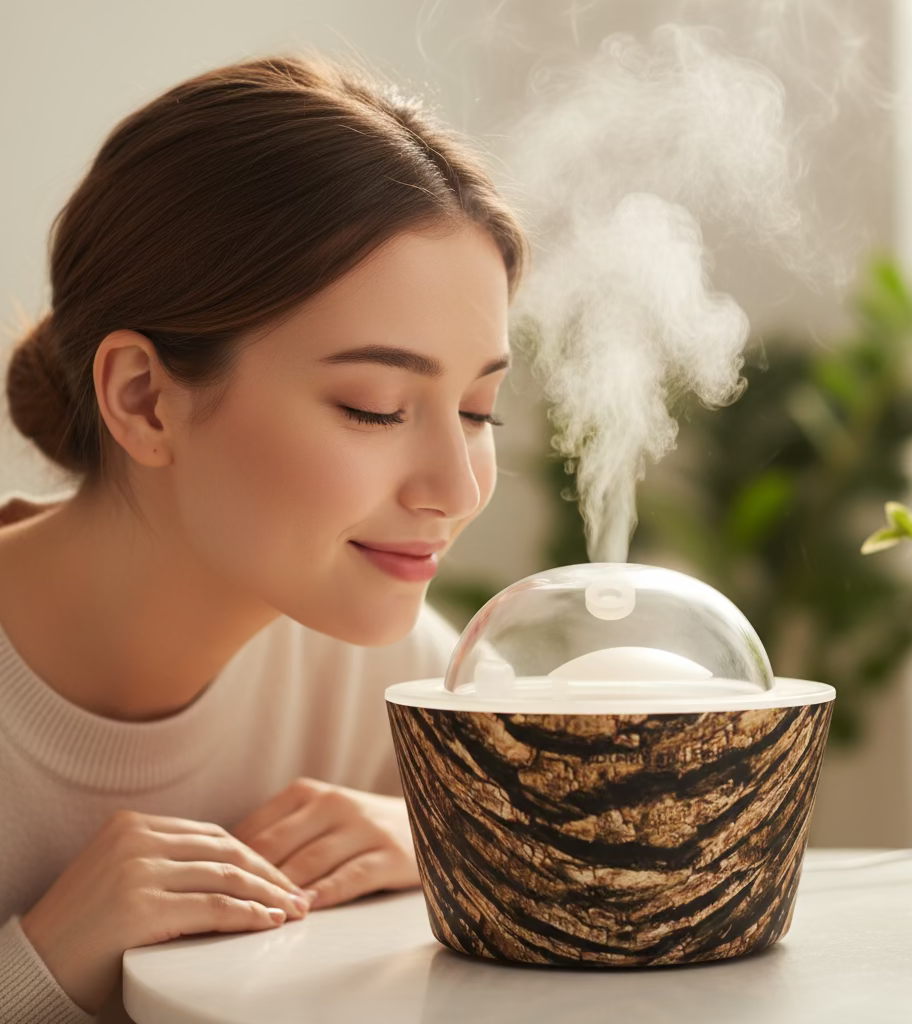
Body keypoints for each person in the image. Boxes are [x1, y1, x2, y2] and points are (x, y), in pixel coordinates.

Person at [0, 53, 526, 1023]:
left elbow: (584, 854)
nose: (456, 490)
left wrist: (449, 843)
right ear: (143, 399)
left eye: (478, 410)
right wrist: (38, 966)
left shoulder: (393, 676)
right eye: (374, 407)